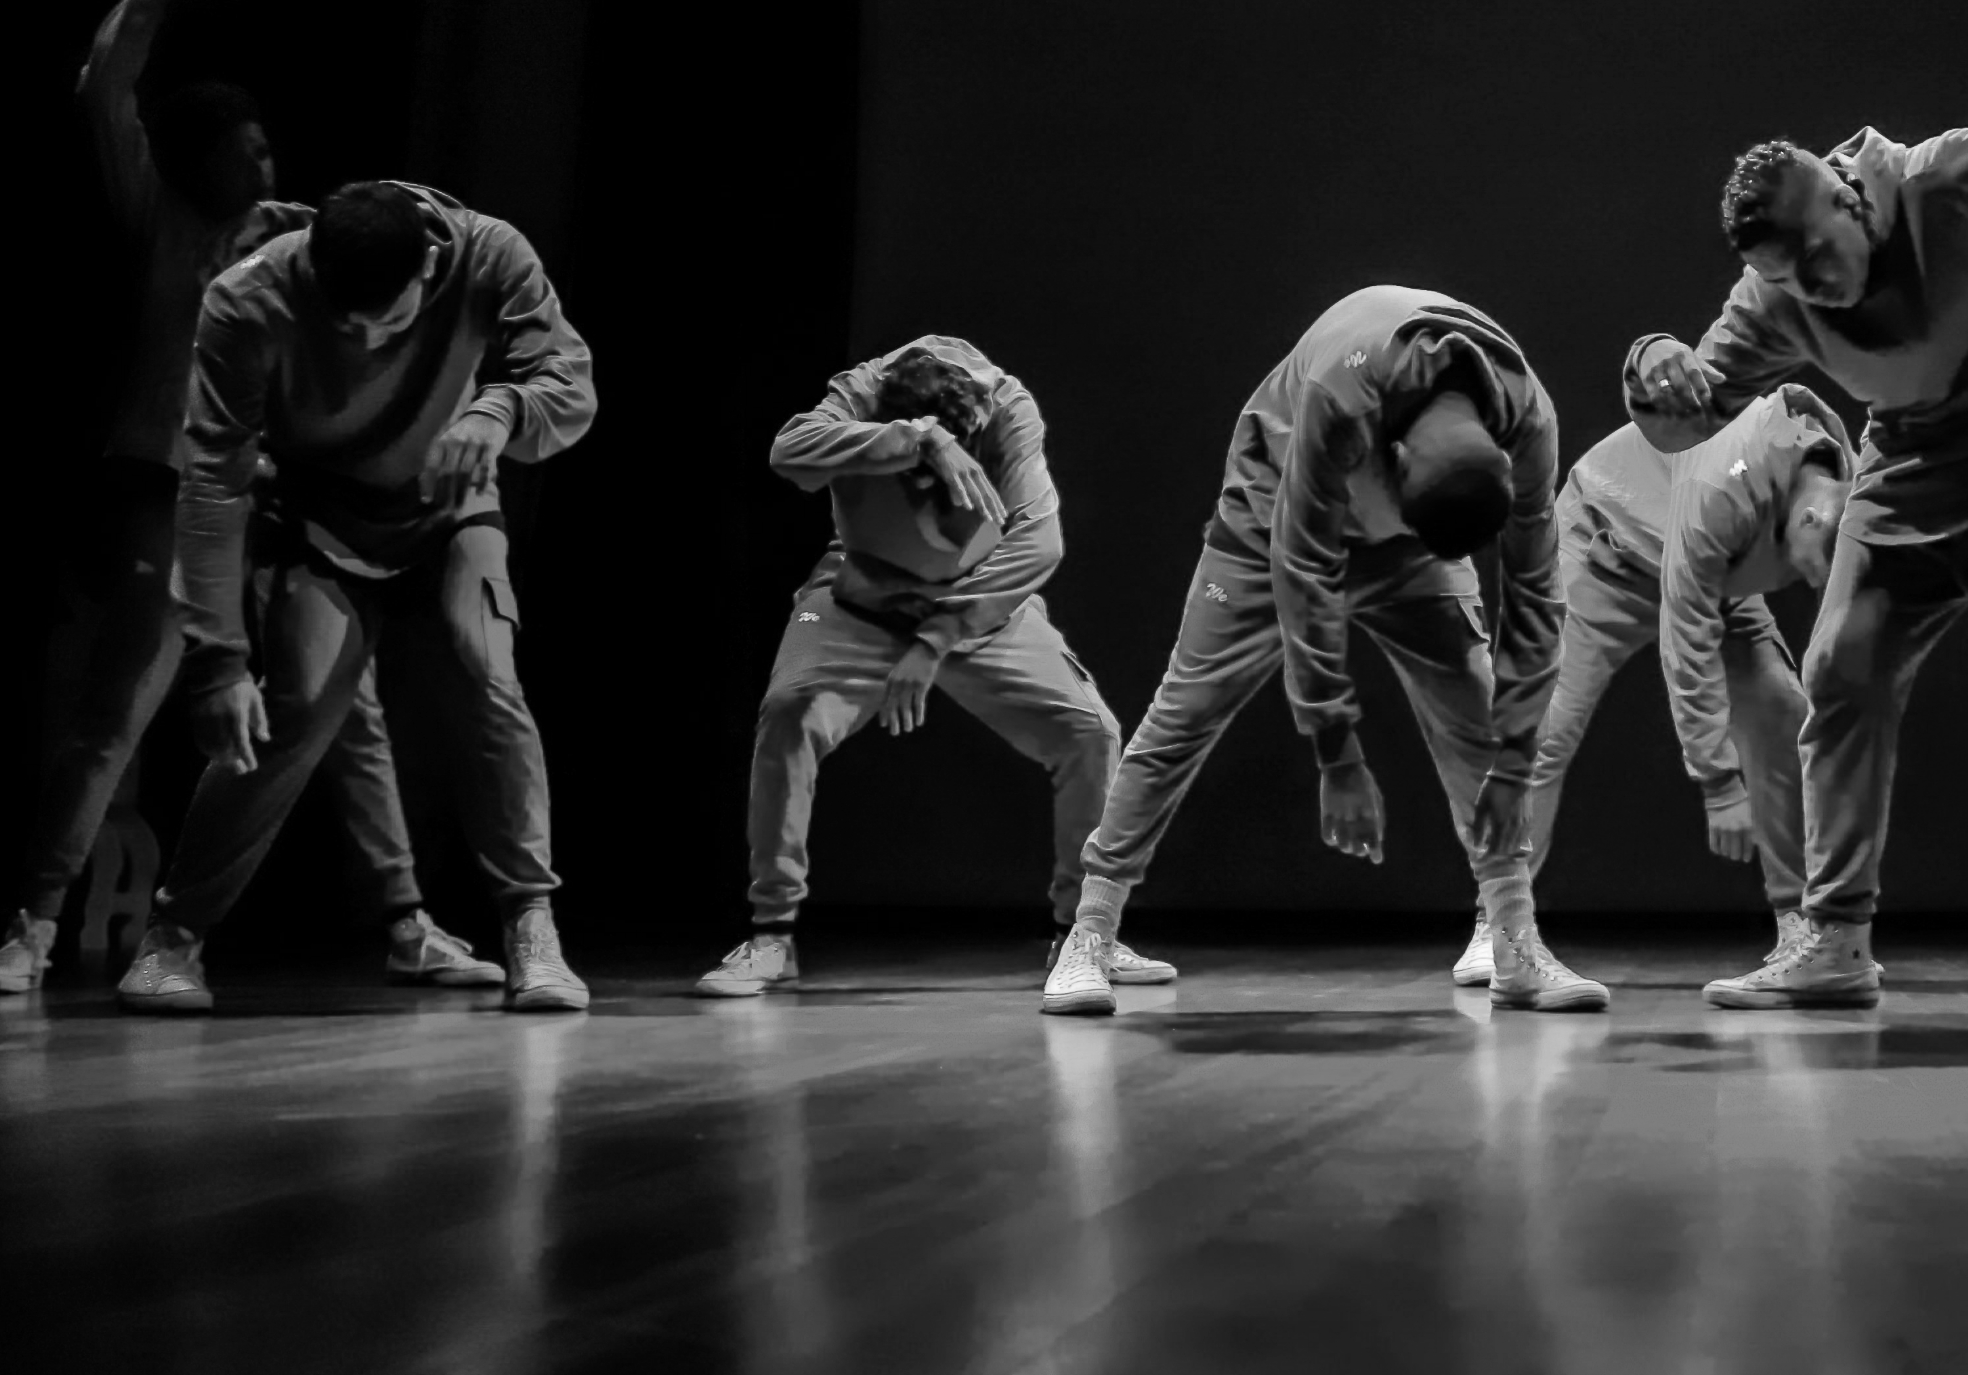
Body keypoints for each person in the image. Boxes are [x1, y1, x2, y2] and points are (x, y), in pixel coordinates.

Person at [0, 0, 494, 997]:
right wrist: (154, 0)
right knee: (122, 705)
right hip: (165, 492)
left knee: (350, 706)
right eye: (243, 148)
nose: (263, 163)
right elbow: (104, 93)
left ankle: (405, 921)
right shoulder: (161, 222)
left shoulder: (297, 236)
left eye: (268, 147)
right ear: (196, 157)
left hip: (282, 507)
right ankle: (32, 926)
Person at [1626, 99, 1968, 1016]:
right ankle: (1833, 938)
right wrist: (1653, 364)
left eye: (1814, 254)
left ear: (1847, 196)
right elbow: (1693, 408)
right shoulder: (1778, 295)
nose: (1809, 285)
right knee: (1841, 668)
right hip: (1911, 469)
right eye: (1783, 276)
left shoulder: (1949, 181)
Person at [115, 179, 601, 1016]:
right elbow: (213, 483)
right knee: (294, 705)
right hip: (318, 519)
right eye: (348, 322)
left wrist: (500, 407)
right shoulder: (248, 298)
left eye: (391, 317)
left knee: (484, 667)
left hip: (451, 506)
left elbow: (569, 384)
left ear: (430, 261)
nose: (369, 337)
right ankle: (172, 939)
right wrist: (218, 654)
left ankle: (531, 925)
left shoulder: (488, 251)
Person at [1049, 286, 1564, 1017]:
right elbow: (1303, 568)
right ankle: (1089, 932)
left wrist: (1514, 764)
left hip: (1415, 545)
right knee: (1184, 712)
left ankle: (1513, 935)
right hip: (1273, 519)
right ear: (1391, 455)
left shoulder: (1527, 417)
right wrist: (1336, 750)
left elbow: (1539, 600)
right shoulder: (1341, 393)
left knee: (1475, 712)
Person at [696, 335, 1132, 999]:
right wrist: (916, 439)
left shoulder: (1008, 409)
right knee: (789, 712)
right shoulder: (865, 388)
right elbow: (788, 449)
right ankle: (771, 935)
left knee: (1090, 730)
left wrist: (938, 635)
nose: (927, 491)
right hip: (858, 597)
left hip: (970, 601)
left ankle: (1083, 934)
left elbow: (1040, 540)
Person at [1475, 385, 1855, 998]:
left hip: (1716, 576)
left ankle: (1800, 927)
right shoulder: (1723, 489)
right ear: (1809, 519)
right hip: (1606, 551)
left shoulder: (1842, 487)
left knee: (1783, 715)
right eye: (1816, 567)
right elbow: (1687, 638)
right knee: (1536, 734)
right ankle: (1495, 928)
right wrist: (1718, 781)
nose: (1813, 582)